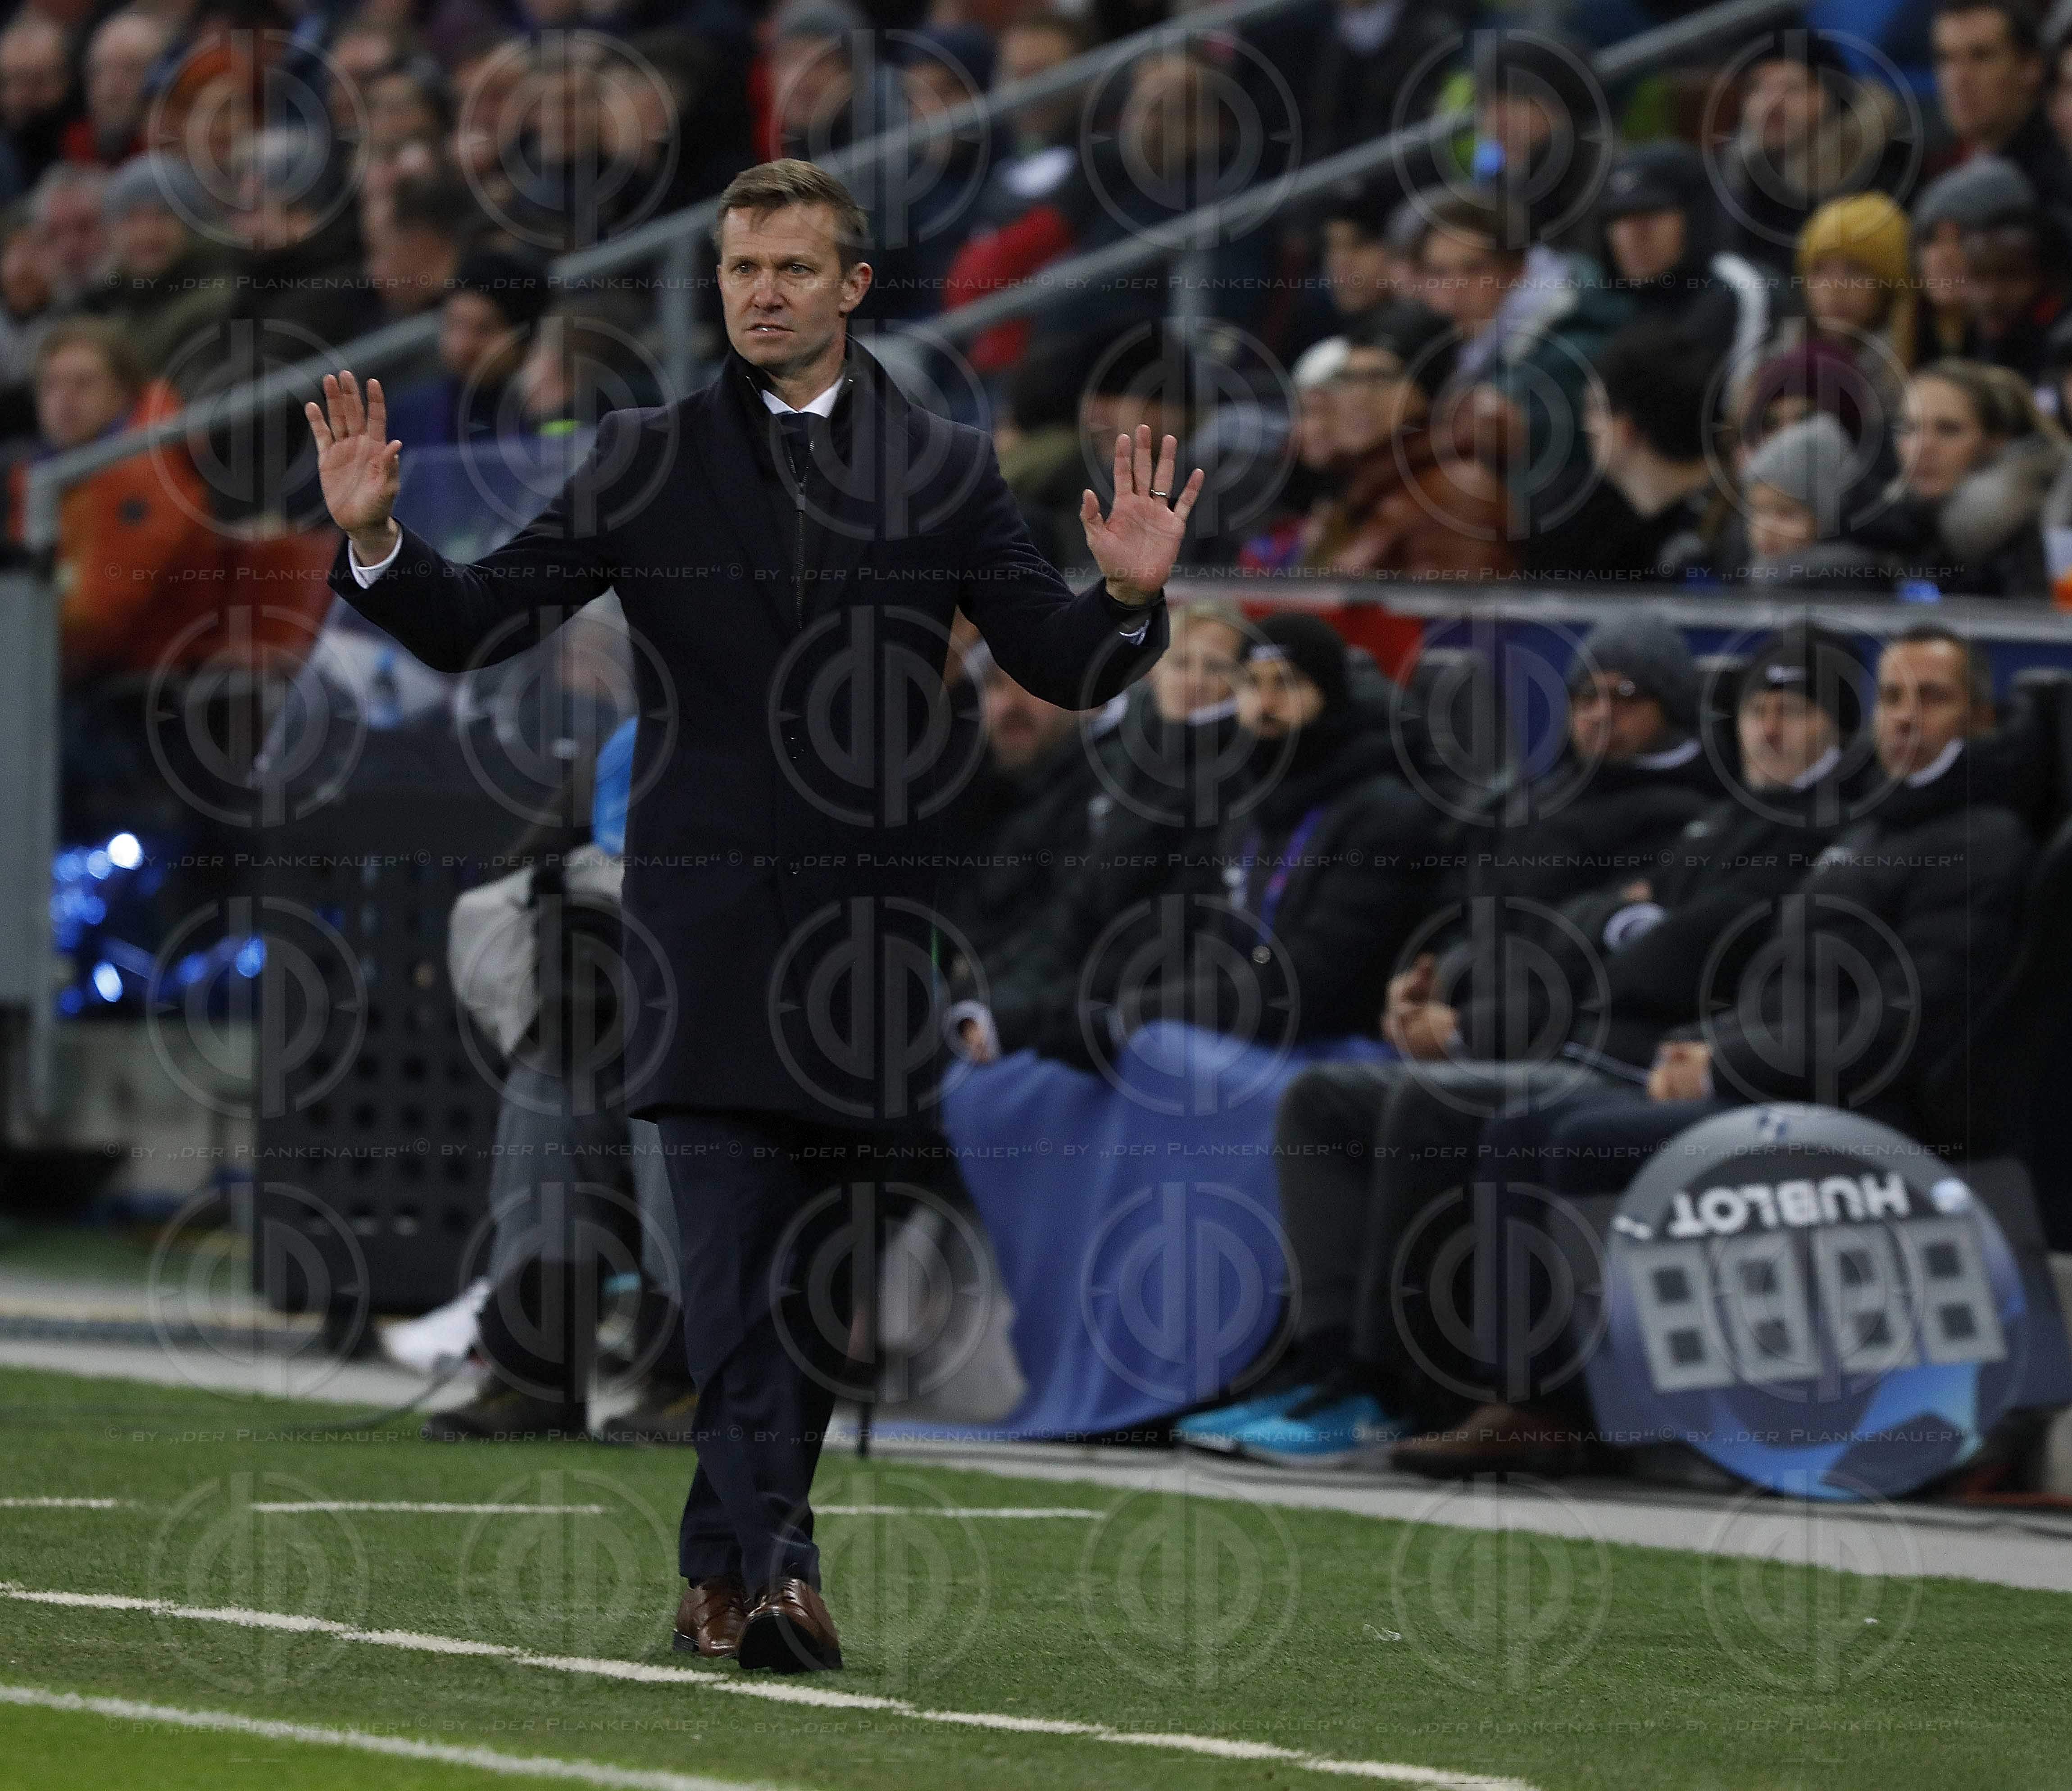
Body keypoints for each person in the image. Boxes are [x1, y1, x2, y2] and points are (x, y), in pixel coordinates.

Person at [306, 157, 1197, 1675]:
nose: (760, 293)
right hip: (703, 927)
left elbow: (1054, 659)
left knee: (808, 1287)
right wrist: (380, 541)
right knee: (728, 1269)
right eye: (739, 270)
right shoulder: (645, 456)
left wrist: (1123, 600)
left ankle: (714, 1570)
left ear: (854, 287)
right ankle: (784, 1570)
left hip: (862, 944)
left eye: (791, 269)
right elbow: (477, 622)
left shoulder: (942, 462)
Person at [1184, 624, 1865, 1467]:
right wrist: (1445, 994)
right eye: (1585, 696)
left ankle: (1393, 1385)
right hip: (1573, 1035)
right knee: (1323, 1096)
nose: (1600, 715)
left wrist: (1475, 1023)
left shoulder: (1713, 817)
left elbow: (1665, 956)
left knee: (1442, 1104)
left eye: (1791, 712)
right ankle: (1324, 1360)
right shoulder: (1707, 816)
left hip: (1638, 1059)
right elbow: (1555, 934)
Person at [1409, 625, 2033, 1475]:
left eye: (1934, 699)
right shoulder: (1873, 825)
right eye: (1893, 698)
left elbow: (1907, 1017)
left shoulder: (1980, 836)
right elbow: (1782, 985)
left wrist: (1733, 1064)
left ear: (1984, 717)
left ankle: (1558, 1409)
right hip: (1775, 1081)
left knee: (1561, 1137)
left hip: (1860, 1113)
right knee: (1527, 1130)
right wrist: (1704, 1043)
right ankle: (1537, 1402)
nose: (1907, 719)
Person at [1417, 190, 1632, 575]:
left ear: (1515, 270)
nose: (1455, 289)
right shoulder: (1479, 346)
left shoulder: (1569, 345)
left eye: (1473, 270)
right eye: (1439, 273)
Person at [1301, 300, 1514, 581]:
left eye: (1380, 378)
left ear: (1428, 390)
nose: (1358, 397)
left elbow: (1454, 622)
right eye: (1347, 379)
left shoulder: (1454, 493)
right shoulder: (1370, 484)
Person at [1714, 23, 1912, 279]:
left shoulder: (1887, 169)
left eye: (1793, 89)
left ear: (1833, 98)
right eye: (1758, 88)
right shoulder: (1740, 182)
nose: (1771, 104)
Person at [1880, 357, 2064, 594]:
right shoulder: (1878, 530)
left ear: (1996, 442)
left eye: (1948, 429)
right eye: (1909, 428)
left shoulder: (2030, 538)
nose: (1921, 447)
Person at [1596, 142, 1770, 391]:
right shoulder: (1603, 307)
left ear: (1693, 216)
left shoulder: (1739, 290)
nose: (1630, 237)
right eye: (1618, 219)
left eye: (1647, 216)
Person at [1583, 320, 1729, 579]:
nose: (1587, 426)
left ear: (1626, 427)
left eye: (1595, 408)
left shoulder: (1727, 543)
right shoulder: (1620, 537)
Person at [382, 246, 551, 448]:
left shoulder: (546, 417)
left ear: (524, 340)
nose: (462, 346)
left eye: (484, 330)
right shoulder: (408, 416)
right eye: (454, 324)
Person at [1933, 0, 2072, 236]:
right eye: (1946, 59)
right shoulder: (1938, 163)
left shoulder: (2052, 196)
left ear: (2031, 67)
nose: (1958, 79)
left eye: (1981, 56)